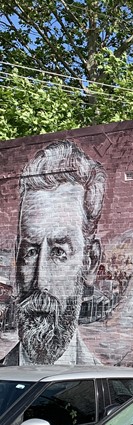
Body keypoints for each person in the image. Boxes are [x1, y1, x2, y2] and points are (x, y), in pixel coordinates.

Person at [2, 140, 106, 365]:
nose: (41, 281)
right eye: (30, 252)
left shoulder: (104, 384)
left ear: (90, 262)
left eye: (59, 252)